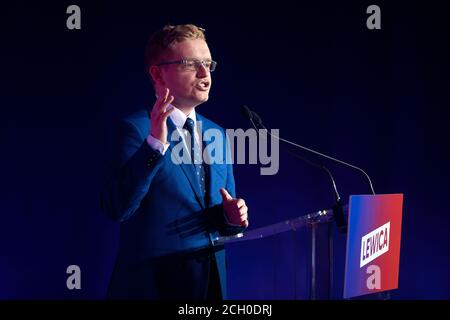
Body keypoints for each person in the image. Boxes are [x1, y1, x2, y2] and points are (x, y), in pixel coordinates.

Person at [101, 24, 249, 300]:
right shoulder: (136, 129)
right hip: (155, 286)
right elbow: (117, 207)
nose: (205, 74)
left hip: (211, 286)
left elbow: (220, 215)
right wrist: (155, 144)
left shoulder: (217, 133)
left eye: (208, 64)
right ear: (158, 73)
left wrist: (232, 218)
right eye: (192, 64)